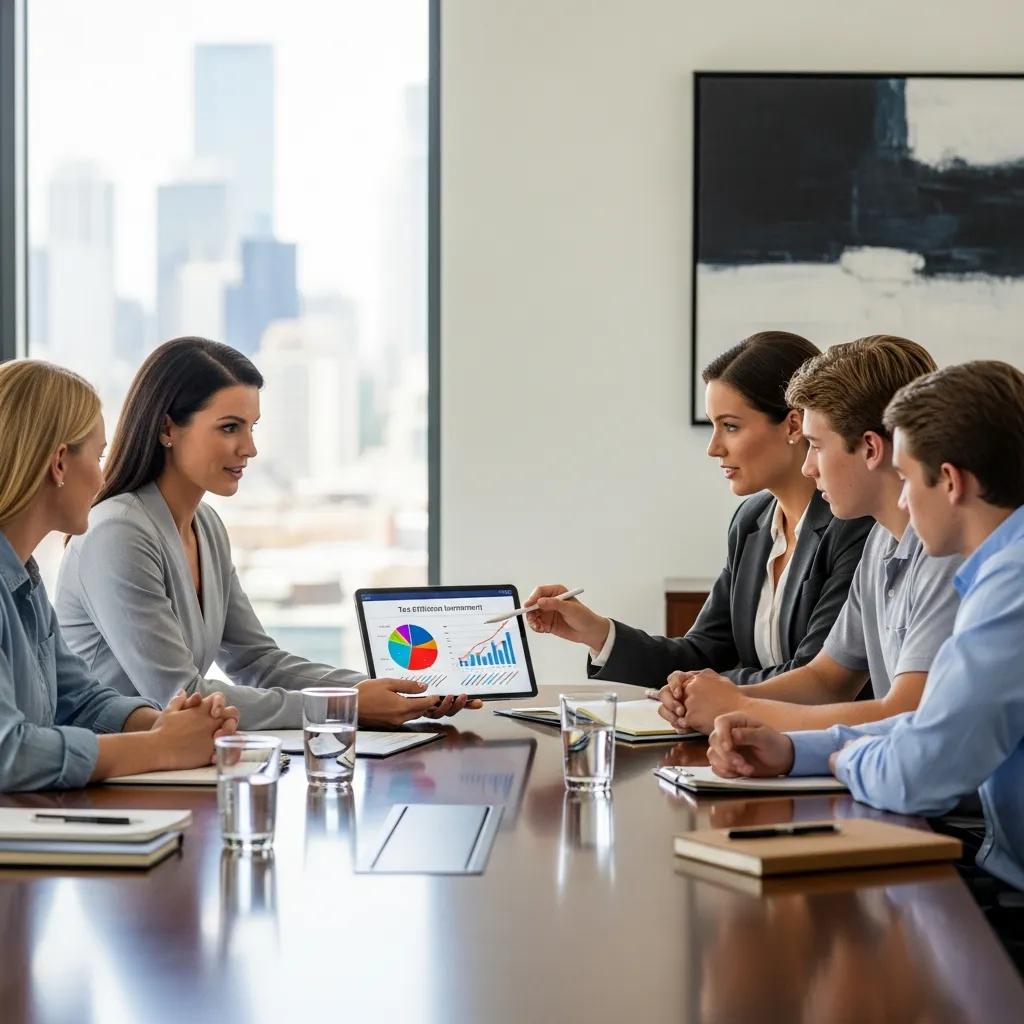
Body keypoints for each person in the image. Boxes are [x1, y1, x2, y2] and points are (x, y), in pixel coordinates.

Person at [706, 360, 1024, 967]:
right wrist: (797, 749)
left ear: (950, 482)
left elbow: (921, 766)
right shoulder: (997, 572)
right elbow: (931, 726)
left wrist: (834, 752)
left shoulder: (1010, 588)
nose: (901, 497)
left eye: (906, 478)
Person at [55, 337, 481, 730]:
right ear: (168, 429)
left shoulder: (206, 526)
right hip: (112, 774)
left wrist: (395, 688)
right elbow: (181, 697)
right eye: (229, 427)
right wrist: (344, 705)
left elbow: (258, 661)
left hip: (174, 766)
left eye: (252, 427)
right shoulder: (118, 533)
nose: (249, 448)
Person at [526, 332, 872, 687]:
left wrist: (710, 689)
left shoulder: (854, 525)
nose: (713, 447)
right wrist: (597, 633)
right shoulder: (752, 521)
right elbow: (702, 653)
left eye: (731, 426)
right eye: (713, 425)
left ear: (794, 425)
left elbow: (813, 678)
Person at [658, 335, 962, 735]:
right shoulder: (879, 544)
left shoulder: (946, 551)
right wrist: (732, 702)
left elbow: (908, 714)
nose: (808, 467)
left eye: (816, 445)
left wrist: (736, 706)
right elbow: (825, 679)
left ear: (870, 448)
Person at [0, 359, 239, 791]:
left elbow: (79, 701)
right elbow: (8, 753)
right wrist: (161, 748)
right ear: (59, 464)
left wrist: (169, 725)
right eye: (99, 455)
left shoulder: (24, 583)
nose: (102, 476)